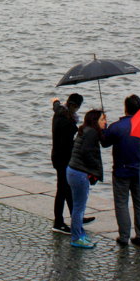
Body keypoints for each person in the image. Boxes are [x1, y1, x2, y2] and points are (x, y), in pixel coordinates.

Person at [101, 94, 140, 248]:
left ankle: (124, 236)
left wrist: (104, 127)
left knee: (121, 203)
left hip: (121, 171)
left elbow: (105, 142)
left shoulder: (117, 127)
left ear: (125, 108)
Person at [51, 93, 93, 233]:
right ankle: (58, 222)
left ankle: (77, 217)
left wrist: (56, 100)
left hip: (56, 156)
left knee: (67, 189)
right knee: (62, 190)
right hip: (63, 159)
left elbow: (56, 105)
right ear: (75, 106)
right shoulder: (67, 123)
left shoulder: (59, 112)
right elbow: (68, 145)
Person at [66, 108, 107, 249]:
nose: (105, 121)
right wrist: (94, 167)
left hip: (72, 170)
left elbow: (103, 142)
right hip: (79, 173)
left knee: (78, 205)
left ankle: (79, 233)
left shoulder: (85, 130)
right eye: (103, 119)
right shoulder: (92, 133)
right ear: (95, 121)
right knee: (79, 207)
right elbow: (86, 152)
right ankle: (76, 237)